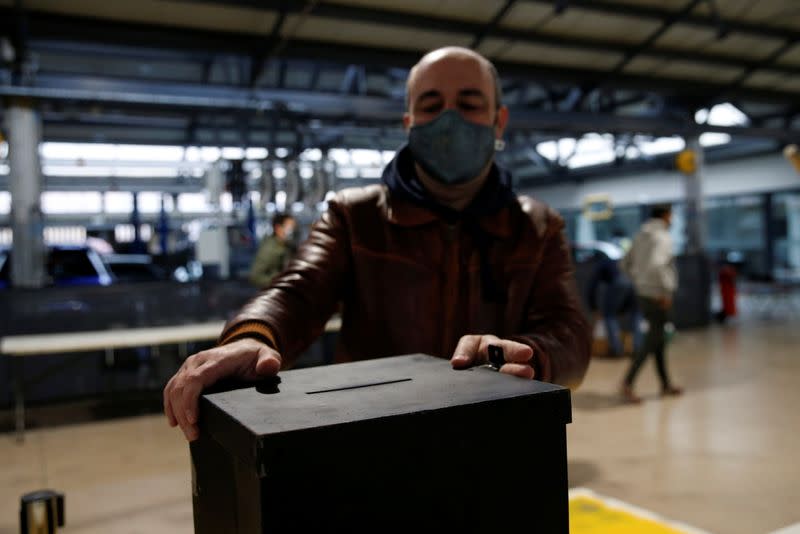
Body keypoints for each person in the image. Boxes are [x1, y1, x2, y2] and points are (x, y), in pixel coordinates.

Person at [164, 46, 591, 441]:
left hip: (495, 435)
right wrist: (253, 336)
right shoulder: (356, 215)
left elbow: (569, 333)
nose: (449, 118)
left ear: (499, 121)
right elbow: (299, 290)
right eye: (431, 105)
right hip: (370, 437)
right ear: (409, 124)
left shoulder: (536, 226)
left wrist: (529, 355)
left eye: (468, 103)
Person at [619, 204, 683, 403]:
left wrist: (639, 281)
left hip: (643, 293)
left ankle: (665, 384)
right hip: (657, 295)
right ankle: (627, 383)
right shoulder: (662, 237)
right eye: (671, 215)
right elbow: (657, 264)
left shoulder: (640, 235)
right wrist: (663, 291)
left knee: (658, 338)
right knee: (653, 339)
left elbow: (624, 263)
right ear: (666, 215)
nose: (672, 220)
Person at [585, 242, 641, 357]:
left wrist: (593, 307)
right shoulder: (614, 261)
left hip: (619, 281)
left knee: (609, 316)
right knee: (636, 313)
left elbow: (592, 287)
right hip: (634, 282)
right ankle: (638, 349)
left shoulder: (600, 264)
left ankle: (617, 350)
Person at [248, 213, 297, 288]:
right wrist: (280, 281)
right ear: (278, 228)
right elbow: (255, 276)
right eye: (290, 227)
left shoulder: (288, 246)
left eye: (294, 227)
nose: (293, 230)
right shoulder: (269, 249)